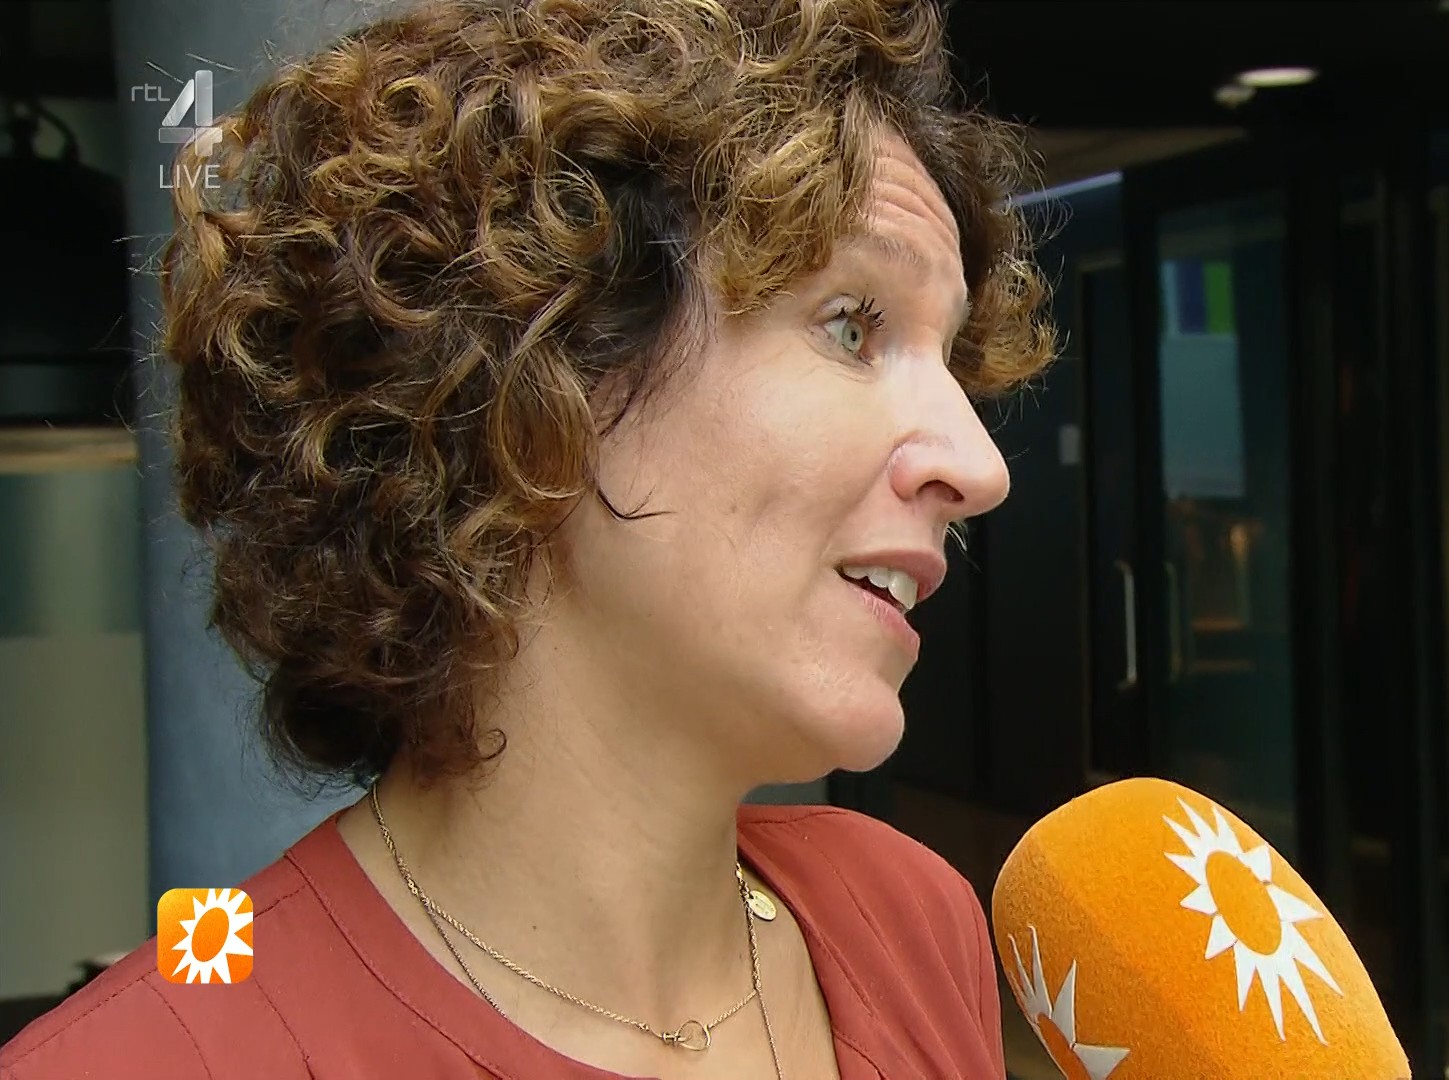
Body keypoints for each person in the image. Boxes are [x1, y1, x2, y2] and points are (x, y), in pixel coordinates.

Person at [0, 0, 1054, 1076]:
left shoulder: (906, 919)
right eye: (852, 325)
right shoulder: (152, 1054)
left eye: (952, 361)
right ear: (534, 377)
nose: (981, 466)